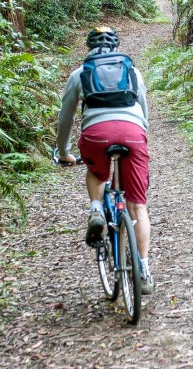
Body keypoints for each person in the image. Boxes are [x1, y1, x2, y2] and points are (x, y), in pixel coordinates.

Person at [53, 26, 154, 295]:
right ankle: (143, 269)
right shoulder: (132, 70)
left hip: (96, 134)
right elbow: (143, 108)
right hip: (133, 132)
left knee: (97, 170)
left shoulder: (80, 73)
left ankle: (96, 209)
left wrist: (63, 152)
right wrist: (140, 138)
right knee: (137, 207)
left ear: (89, 47)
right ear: (116, 46)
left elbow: (66, 118)